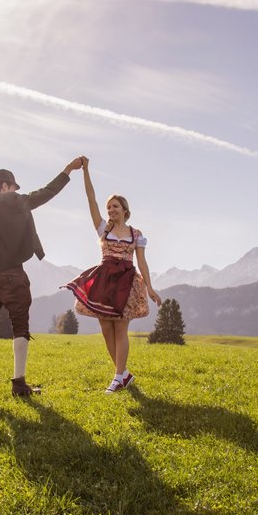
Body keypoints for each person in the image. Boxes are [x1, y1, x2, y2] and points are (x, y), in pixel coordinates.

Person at [0, 157, 85, 397]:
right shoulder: (16, 202)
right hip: (12, 277)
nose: (16, 191)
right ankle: (19, 384)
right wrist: (68, 170)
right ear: (6, 186)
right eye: (14, 187)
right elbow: (46, 193)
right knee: (20, 327)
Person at [64, 158, 161, 393]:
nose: (110, 210)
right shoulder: (102, 228)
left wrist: (149, 287)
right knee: (106, 329)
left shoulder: (136, 234)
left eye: (115, 206)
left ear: (125, 211)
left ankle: (118, 377)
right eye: (109, 207)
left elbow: (142, 262)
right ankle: (123, 374)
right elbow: (90, 198)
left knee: (120, 329)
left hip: (126, 282)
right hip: (105, 281)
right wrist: (85, 171)